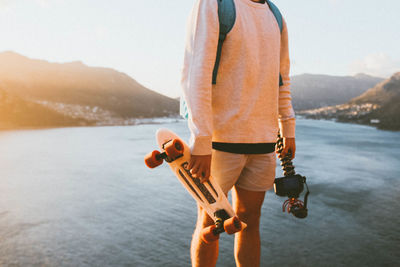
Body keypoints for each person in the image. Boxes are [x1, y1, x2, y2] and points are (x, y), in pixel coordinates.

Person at [181, 0, 296, 266]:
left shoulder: (275, 15)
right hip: (219, 143)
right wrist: (201, 141)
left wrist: (287, 125)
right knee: (209, 224)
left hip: (264, 142)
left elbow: (282, 76)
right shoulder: (216, 4)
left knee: (249, 222)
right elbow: (197, 73)